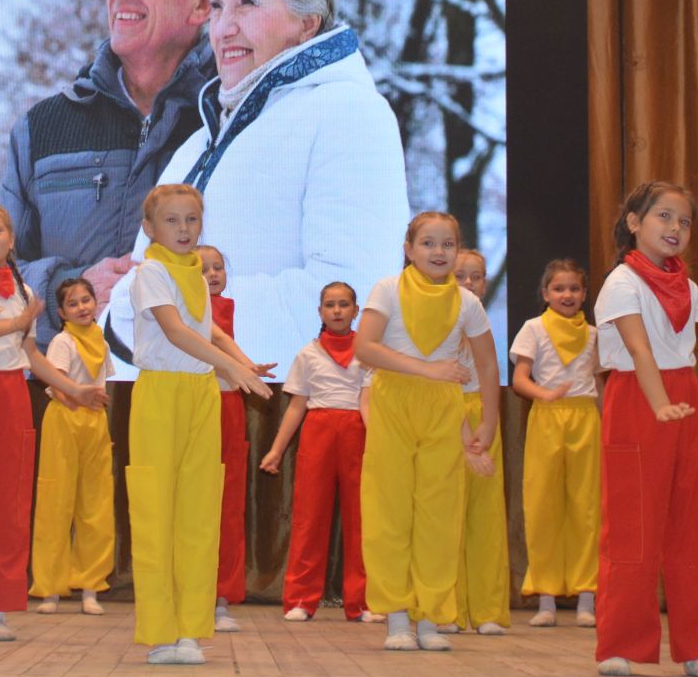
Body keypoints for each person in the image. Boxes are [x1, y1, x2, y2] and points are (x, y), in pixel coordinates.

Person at [113, 0, 409, 371]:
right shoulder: (198, 144)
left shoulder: (350, 114)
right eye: (215, 6)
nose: (223, 28)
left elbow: (349, 298)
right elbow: (132, 296)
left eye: (246, 3)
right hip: (180, 413)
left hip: (283, 420)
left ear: (306, 23)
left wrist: (165, 316)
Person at [0, 0, 231, 347]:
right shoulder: (43, 130)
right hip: (67, 402)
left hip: (191, 400)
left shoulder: (233, 123)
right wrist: (69, 290)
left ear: (202, 4)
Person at [0, 202, 109, 643]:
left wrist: (75, 389)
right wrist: (18, 321)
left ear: (12, 239)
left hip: (11, 393)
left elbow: (32, 356)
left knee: (7, 504)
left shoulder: (23, 290)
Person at [126, 184, 272, 665]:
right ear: (149, 228)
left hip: (200, 396)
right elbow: (175, 329)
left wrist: (244, 362)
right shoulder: (151, 271)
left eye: (192, 219)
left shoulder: (192, 270)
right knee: (158, 513)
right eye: (172, 220)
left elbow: (207, 327)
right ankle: (160, 631)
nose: (184, 229)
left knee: (197, 513)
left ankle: (190, 627)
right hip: (162, 394)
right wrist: (232, 370)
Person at [591, 181, 698, 677]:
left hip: (681, 395)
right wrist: (660, 404)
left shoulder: (688, 286)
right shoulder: (622, 283)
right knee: (633, 524)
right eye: (663, 217)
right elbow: (640, 351)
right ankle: (620, 644)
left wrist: (679, 405)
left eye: (684, 221)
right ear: (633, 223)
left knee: (690, 524)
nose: (675, 228)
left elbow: (681, 352)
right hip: (639, 399)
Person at [354, 211, 498, 653]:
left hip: (442, 410)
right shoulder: (388, 289)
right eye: (428, 243)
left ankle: (432, 616)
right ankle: (397, 616)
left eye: (448, 245)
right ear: (408, 249)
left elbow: (489, 364)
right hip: (394, 402)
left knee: (439, 513)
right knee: (391, 510)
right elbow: (365, 348)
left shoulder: (467, 303)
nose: (439, 252)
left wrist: (487, 425)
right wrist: (427, 369)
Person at [259, 280, 370, 623]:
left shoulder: (369, 353)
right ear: (320, 311)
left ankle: (363, 602)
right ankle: (301, 599)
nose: (337, 310)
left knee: (362, 520)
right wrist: (276, 450)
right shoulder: (308, 353)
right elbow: (296, 407)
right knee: (310, 518)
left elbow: (370, 402)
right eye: (330, 305)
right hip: (318, 433)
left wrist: (378, 440)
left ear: (356, 311)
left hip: (357, 431)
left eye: (344, 304)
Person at [508, 257, 599, 629]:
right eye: (559, 288)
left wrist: (608, 425)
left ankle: (587, 597)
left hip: (585, 419)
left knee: (587, 508)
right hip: (547, 418)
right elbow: (520, 379)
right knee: (544, 504)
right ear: (545, 293)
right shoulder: (533, 328)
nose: (567, 294)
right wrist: (543, 396)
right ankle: (545, 596)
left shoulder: (594, 334)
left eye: (574, 288)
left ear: (584, 294)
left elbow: (602, 384)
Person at [30, 277, 115, 616]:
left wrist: (96, 418)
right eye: (74, 303)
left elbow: (101, 384)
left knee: (96, 505)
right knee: (57, 502)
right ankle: (50, 587)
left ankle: (90, 586)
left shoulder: (102, 342)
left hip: (94, 424)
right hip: (65, 420)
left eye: (87, 300)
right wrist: (76, 403)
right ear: (62, 312)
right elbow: (56, 384)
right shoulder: (63, 342)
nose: (82, 307)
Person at [200, 243, 273, 632]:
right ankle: (193, 593)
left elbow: (226, 347)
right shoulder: (186, 308)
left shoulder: (227, 307)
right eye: (203, 269)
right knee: (198, 503)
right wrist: (244, 364)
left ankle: (221, 596)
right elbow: (216, 346)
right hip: (198, 405)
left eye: (218, 267)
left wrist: (247, 367)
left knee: (228, 504)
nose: (212, 274)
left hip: (227, 408)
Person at [449, 248, 509, 637]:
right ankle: (447, 609)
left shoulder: (484, 320)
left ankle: (487, 609)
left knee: (485, 515)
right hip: (448, 416)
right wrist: (465, 431)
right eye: (461, 276)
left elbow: (491, 371)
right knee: (447, 513)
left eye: (477, 276)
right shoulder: (438, 321)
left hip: (483, 414)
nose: (470, 284)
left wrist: (487, 424)